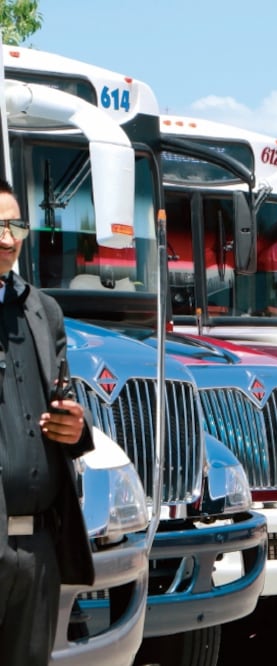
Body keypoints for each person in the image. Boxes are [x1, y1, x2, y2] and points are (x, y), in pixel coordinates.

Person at [0, 178, 94, 664]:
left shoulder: (44, 310)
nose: (7, 238)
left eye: (16, 225)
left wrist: (77, 429)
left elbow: (65, 393)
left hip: (39, 548)